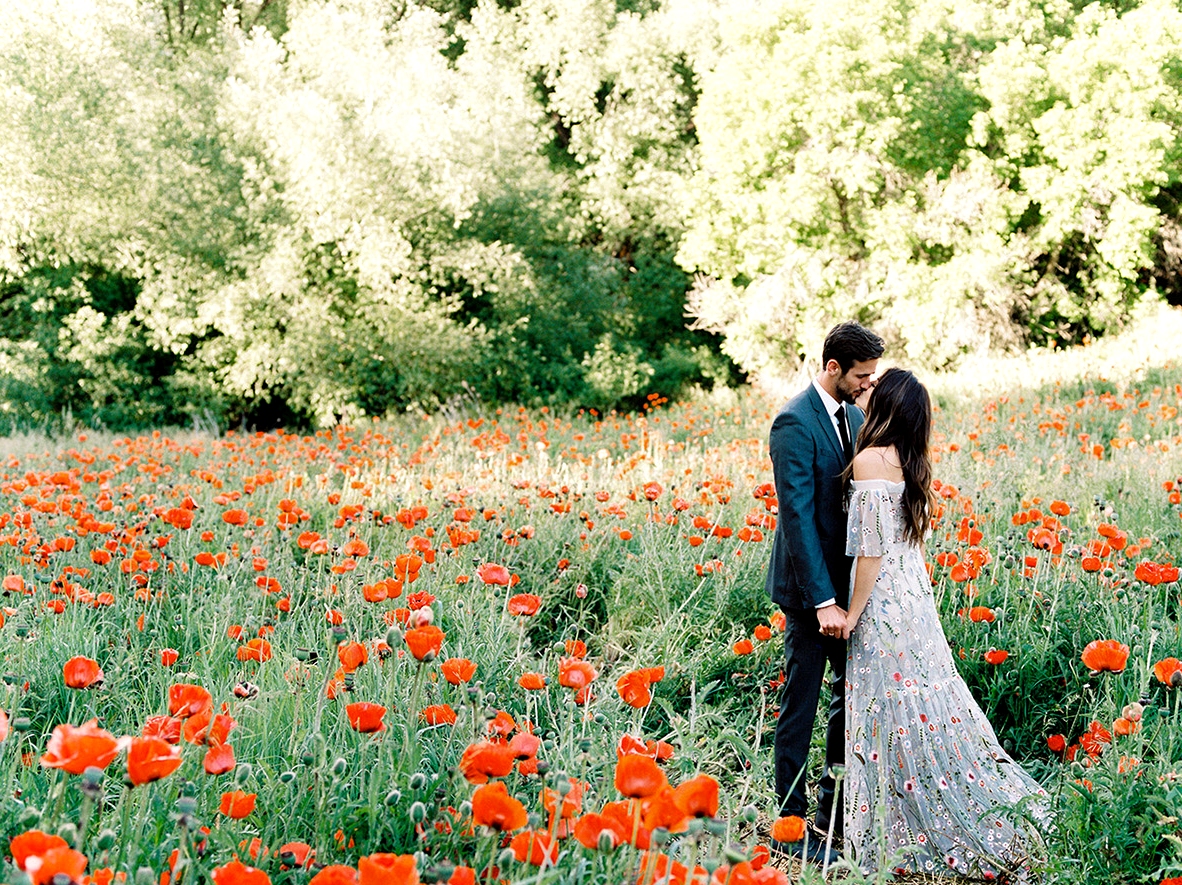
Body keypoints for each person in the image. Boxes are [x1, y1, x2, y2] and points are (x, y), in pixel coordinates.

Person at [842, 368, 1049, 879]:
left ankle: (897, 826)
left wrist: (851, 614)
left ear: (887, 406)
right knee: (919, 702)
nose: (864, 390)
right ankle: (918, 808)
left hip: (885, 602)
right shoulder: (912, 462)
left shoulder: (870, 459)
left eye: (874, 387)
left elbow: (869, 553)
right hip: (915, 601)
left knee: (883, 705)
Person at [765, 321, 883, 863]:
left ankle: (834, 816)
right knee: (802, 702)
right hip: (810, 592)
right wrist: (823, 601)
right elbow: (797, 518)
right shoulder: (793, 421)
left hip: (848, 591)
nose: (867, 383)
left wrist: (852, 596)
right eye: (861, 375)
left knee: (846, 703)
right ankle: (791, 825)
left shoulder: (856, 415)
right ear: (833, 367)